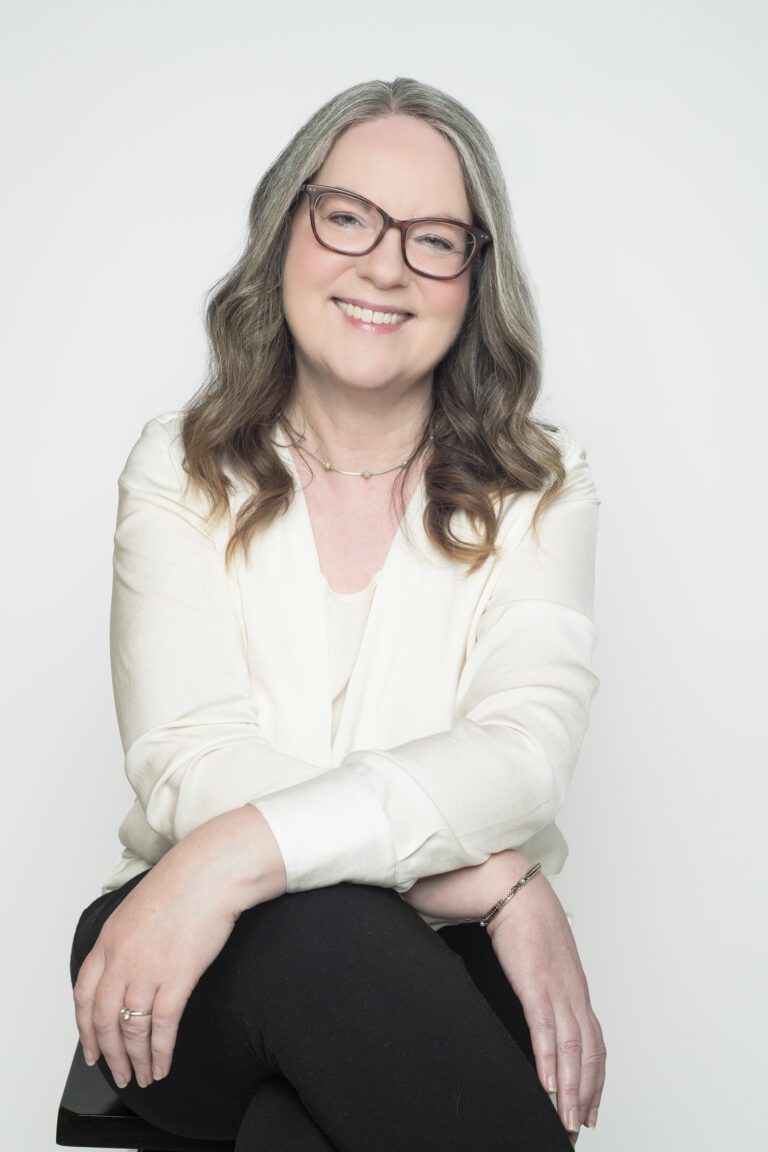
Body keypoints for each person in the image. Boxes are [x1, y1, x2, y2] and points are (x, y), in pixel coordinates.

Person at [70, 77, 606, 1151]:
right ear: (286, 229)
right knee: (325, 929)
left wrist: (250, 849)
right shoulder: (178, 470)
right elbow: (191, 763)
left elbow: (522, 756)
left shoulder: (542, 489)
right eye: (350, 215)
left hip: (444, 966)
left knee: (298, 1133)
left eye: (435, 239)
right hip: (195, 944)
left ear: (473, 279)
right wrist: (488, 872)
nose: (385, 265)